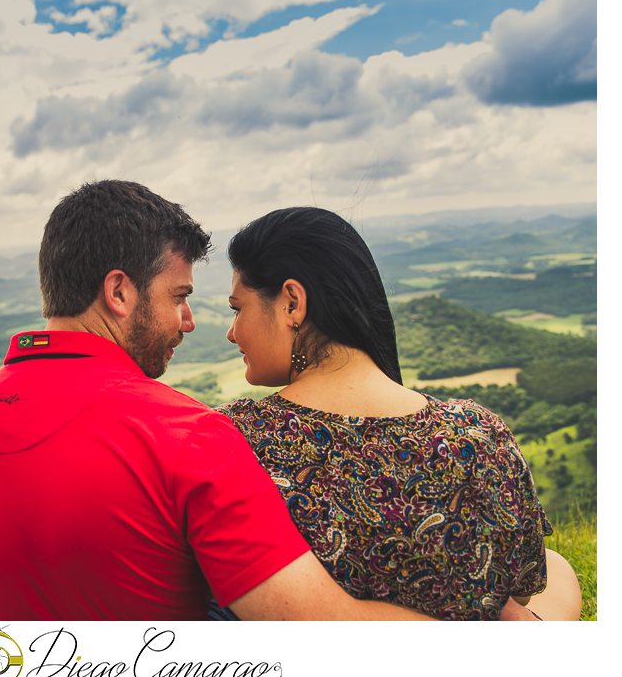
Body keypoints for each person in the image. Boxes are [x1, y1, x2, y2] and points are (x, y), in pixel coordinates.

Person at [0, 180, 442, 620]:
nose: (190, 321)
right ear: (119, 293)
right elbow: (325, 632)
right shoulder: (187, 433)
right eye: (178, 297)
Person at [215, 206, 582, 621]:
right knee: (562, 572)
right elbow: (525, 587)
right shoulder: (479, 433)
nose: (232, 332)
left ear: (292, 303)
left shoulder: (234, 438)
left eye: (236, 308)